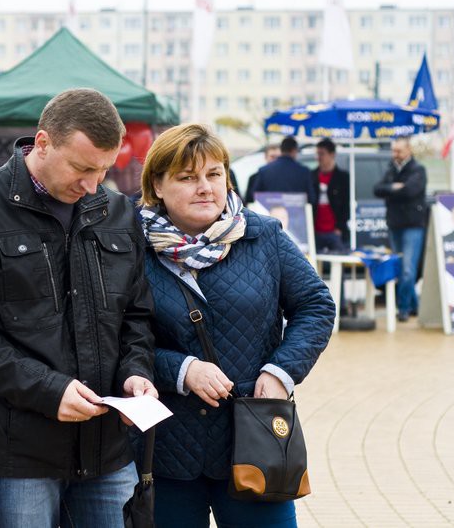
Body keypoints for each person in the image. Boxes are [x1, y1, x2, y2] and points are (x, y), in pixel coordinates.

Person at [0, 88, 157, 526]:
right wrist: (48, 390)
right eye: (83, 168)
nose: (92, 185)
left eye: (105, 170)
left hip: (108, 452)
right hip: (16, 455)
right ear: (43, 143)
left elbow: (137, 315)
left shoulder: (118, 212)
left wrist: (136, 372)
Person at [137, 124, 335, 527]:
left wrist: (281, 372)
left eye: (213, 174)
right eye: (187, 177)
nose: (205, 187)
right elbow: (117, 337)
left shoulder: (262, 236)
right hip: (166, 449)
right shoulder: (131, 247)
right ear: (157, 184)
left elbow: (316, 305)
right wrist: (179, 369)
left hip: (255, 441)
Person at [373, 137, 427, 322]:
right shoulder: (391, 169)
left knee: (407, 270)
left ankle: (403, 308)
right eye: (393, 151)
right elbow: (377, 189)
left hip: (413, 226)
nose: (395, 154)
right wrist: (393, 187)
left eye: (398, 151)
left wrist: (392, 190)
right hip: (395, 224)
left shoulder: (418, 170)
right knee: (400, 268)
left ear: (408, 150)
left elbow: (410, 190)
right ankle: (416, 306)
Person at [252, 136, 317, 207]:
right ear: (294, 150)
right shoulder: (304, 171)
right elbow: (311, 198)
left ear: (281, 150)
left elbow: (255, 196)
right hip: (297, 215)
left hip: (271, 214)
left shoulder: (264, 170)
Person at [312, 138, 350, 252]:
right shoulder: (312, 176)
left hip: (335, 231)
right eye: (317, 154)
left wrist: (340, 227)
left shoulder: (342, 177)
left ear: (332, 154)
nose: (318, 157)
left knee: (338, 265)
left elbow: (346, 204)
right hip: (315, 231)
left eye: (322, 154)